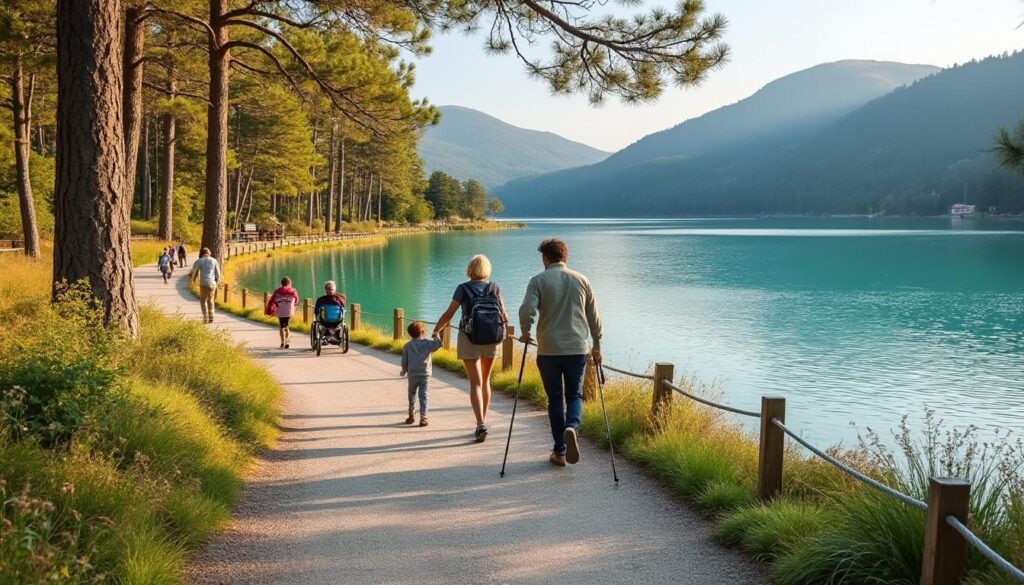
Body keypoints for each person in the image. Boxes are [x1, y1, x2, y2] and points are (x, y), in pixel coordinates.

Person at [519, 238, 603, 468]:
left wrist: (525, 331)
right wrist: (597, 345)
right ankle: (571, 427)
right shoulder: (582, 280)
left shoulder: (538, 280)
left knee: (555, 398)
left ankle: (559, 451)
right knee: (574, 396)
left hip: (549, 350)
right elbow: (595, 318)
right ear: (565, 257)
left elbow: (527, 310)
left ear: (546, 258)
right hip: (577, 349)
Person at [433, 255, 508, 442]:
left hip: (469, 338)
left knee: (475, 383)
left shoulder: (463, 288)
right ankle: (483, 421)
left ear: (471, 269)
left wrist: (436, 330)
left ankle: (480, 423)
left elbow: (449, 313)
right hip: (492, 339)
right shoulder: (495, 287)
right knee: (486, 381)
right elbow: (504, 317)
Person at [400, 321, 443, 427]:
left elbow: (404, 360)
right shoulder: (428, 344)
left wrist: (403, 370)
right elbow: (439, 344)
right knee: (424, 395)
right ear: (423, 332)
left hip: (412, 374)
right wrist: (436, 335)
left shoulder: (407, 346)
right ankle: (423, 417)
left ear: (410, 334)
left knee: (412, 394)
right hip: (425, 374)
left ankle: (411, 414)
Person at [189, 247, 221, 323]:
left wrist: (192, 281)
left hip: (203, 284)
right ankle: (211, 316)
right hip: (212, 284)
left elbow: (194, 271)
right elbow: (218, 274)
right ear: (209, 253)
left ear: (202, 253)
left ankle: (205, 317)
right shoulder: (214, 261)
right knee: (211, 300)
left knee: (203, 301)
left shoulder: (199, 261)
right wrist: (217, 283)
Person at [268, 277, 299, 349]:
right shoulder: (293, 291)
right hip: (289, 311)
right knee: (286, 325)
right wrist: (292, 304)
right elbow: (297, 301)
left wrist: (274, 305)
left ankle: (282, 342)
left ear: (282, 283)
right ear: (289, 283)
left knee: (282, 326)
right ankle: (287, 341)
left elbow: (272, 299)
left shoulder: (277, 291)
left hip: (280, 311)